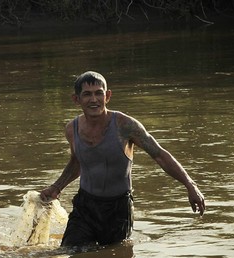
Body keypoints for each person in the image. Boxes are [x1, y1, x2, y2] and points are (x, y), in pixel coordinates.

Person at [41, 71, 205, 248]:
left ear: (108, 96)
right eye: (87, 94)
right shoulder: (72, 129)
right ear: (76, 99)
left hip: (118, 209)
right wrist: (56, 187)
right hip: (85, 207)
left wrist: (190, 185)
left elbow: (159, 155)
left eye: (99, 93)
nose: (94, 99)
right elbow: (77, 162)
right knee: (72, 255)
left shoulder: (125, 126)